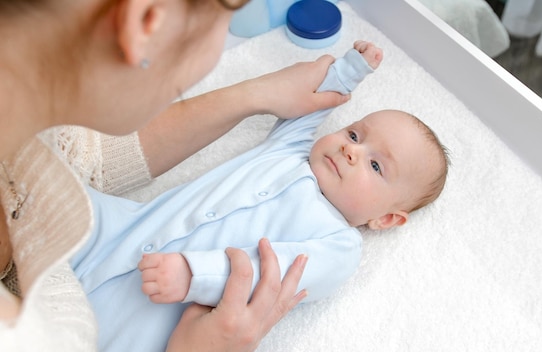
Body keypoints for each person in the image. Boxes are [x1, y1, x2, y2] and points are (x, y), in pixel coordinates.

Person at [0, 0, 354, 350]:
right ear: (146, 21)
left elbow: (79, 158)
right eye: (231, 18)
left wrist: (255, 94)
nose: (352, 151)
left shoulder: (27, 146)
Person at [70, 40, 450, 351]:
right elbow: (311, 104)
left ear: (385, 218)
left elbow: (269, 273)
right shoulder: (291, 151)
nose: (353, 151)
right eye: (354, 134)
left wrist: (194, 274)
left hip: (156, 301)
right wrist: (350, 71)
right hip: (122, 229)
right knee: (67, 200)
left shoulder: (339, 246)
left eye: (376, 166)